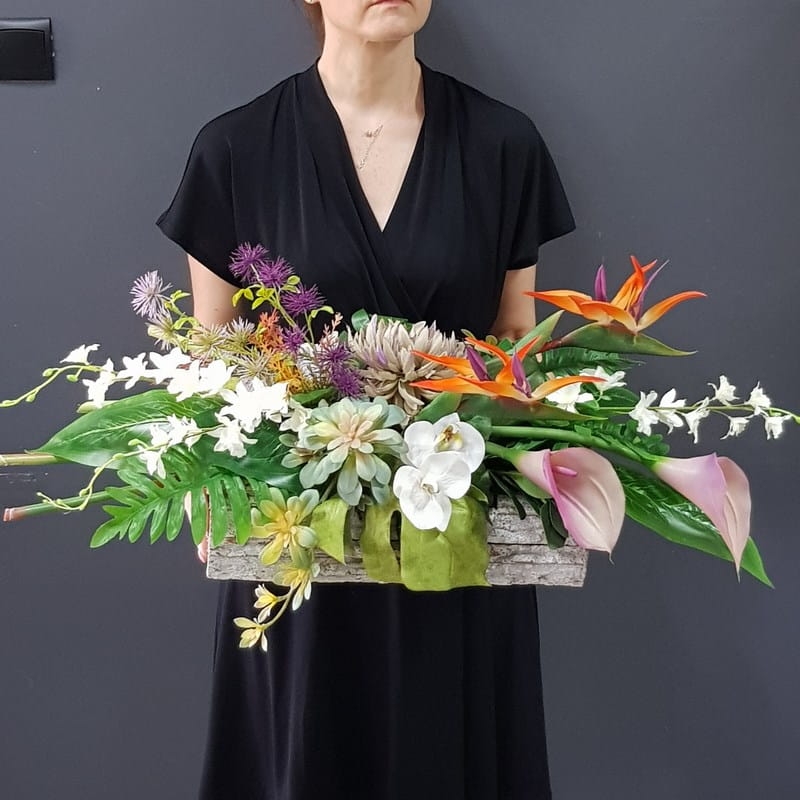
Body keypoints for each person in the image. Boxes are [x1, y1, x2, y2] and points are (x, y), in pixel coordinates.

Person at [155, 1, 576, 797]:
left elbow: (514, 340)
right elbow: (210, 357)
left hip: (453, 527)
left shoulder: (502, 145)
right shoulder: (235, 150)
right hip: (298, 536)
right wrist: (205, 479)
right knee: (307, 750)